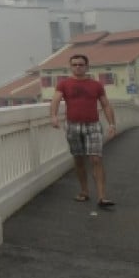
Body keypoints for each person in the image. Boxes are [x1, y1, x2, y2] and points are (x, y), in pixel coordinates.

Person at [50, 54, 117, 208]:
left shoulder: (96, 85)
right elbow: (55, 100)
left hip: (92, 125)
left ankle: (102, 197)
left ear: (87, 67)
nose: (78, 67)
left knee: (96, 159)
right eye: (74, 65)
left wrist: (112, 124)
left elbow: (106, 105)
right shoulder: (64, 84)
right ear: (70, 67)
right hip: (73, 126)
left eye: (81, 64)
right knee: (79, 159)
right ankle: (84, 191)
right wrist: (53, 116)